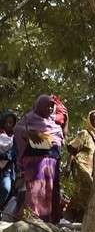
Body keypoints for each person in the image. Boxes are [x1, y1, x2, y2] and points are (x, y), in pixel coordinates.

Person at [13, 95, 64, 223]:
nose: (50, 108)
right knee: (36, 190)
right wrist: (29, 135)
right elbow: (18, 132)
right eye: (47, 105)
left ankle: (48, 221)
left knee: (50, 191)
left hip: (52, 163)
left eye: (52, 106)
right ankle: (32, 218)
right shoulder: (28, 119)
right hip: (35, 162)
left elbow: (61, 140)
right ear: (39, 105)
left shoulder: (54, 125)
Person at [64, 110, 95, 222]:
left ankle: (75, 216)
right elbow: (73, 150)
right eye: (93, 119)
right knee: (88, 187)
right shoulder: (84, 133)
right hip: (80, 165)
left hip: (92, 168)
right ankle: (72, 214)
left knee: (82, 192)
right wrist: (67, 166)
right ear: (89, 120)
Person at [0, 110, 18, 209]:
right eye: (7, 122)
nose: (8, 124)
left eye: (11, 122)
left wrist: (5, 156)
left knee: (6, 189)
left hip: (7, 170)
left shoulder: (15, 138)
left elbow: (14, 153)